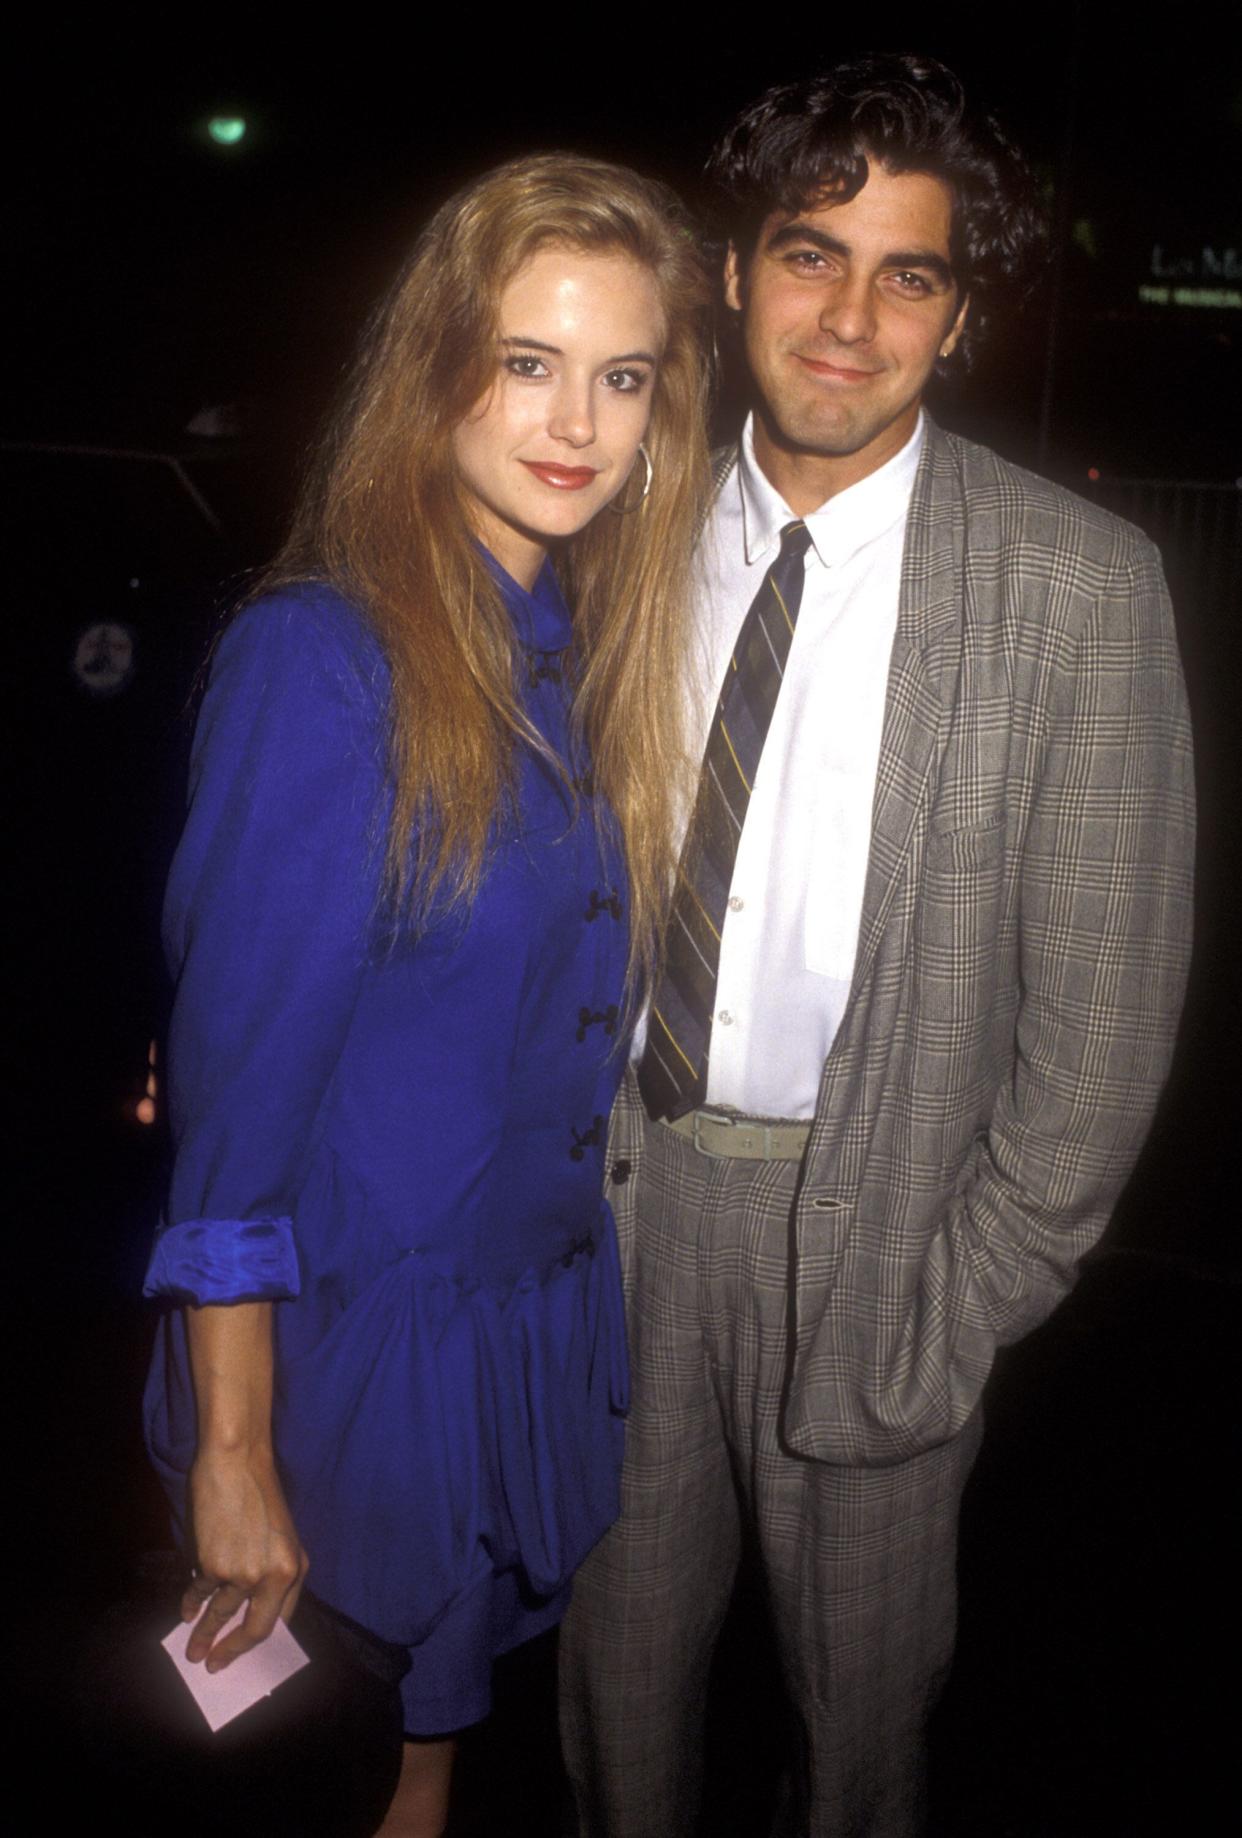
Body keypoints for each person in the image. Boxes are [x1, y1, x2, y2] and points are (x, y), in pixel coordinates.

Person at [559, 55, 1195, 1837]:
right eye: (808, 253)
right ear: (734, 275)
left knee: (860, 1746)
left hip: (889, 1237)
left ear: (959, 313)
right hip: (608, 1220)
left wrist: (957, 1307)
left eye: (905, 272)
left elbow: (1099, 1028)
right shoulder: (612, 528)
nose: (848, 315)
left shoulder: (1077, 588)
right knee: (612, 1707)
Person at [142, 153, 710, 1837]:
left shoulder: (591, 650)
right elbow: (233, 1108)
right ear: (435, 364)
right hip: (350, 1360)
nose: (577, 420)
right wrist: (235, 1449)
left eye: (621, 375)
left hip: (519, 1335)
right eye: (527, 361)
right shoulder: (325, 655)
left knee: (435, 1766)